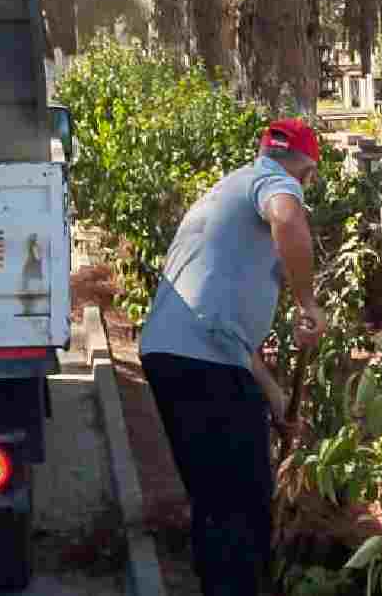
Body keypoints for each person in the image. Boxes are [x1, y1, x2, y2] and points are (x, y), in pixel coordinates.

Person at [138, 118, 326, 596]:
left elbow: (226, 332)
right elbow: (287, 217)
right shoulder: (273, 182)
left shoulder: (229, 188)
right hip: (203, 363)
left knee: (217, 499)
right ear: (306, 169)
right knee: (241, 502)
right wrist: (307, 304)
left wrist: (276, 398)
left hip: (181, 355)